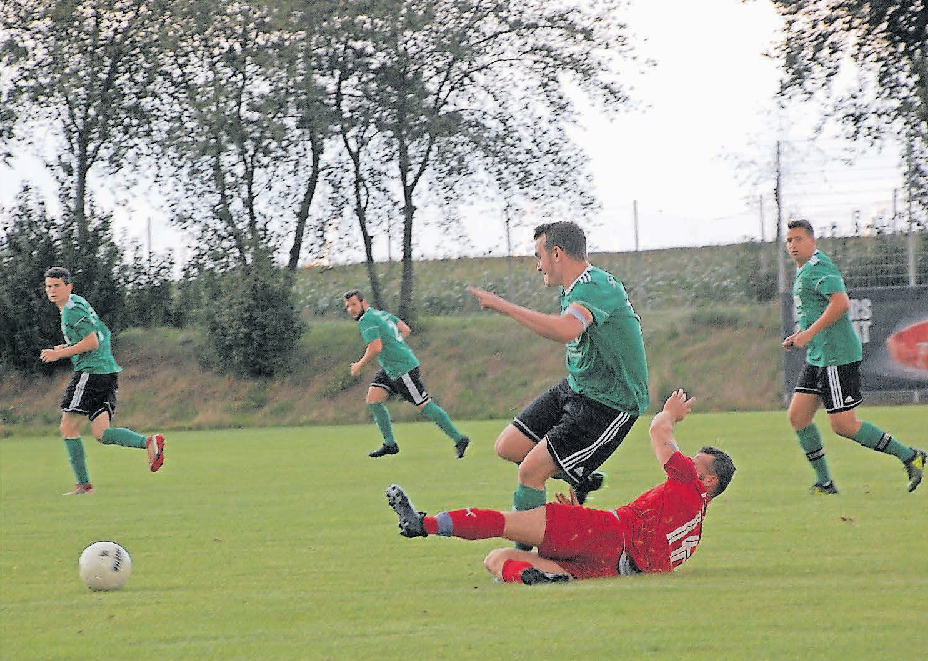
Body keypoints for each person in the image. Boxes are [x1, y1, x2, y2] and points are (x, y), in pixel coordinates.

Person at [385, 389, 735, 584]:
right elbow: (647, 548)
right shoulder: (693, 536)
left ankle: (424, 524)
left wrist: (671, 412)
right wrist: (579, 515)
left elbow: (658, 431)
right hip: (610, 568)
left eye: (696, 461)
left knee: (507, 525)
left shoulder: (688, 482)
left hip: (605, 532)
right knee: (498, 560)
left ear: (709, 480)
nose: (687, 461)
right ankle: (537, 580)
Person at [467, 221, 649, 517]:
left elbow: (567, 330)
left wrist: (505, 306)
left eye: (539, 256)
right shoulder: (573, 288)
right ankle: (578, 475)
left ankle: (525, 554)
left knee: (530, 472)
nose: (538, 266)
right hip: (577, 387)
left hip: (609, 403)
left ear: (557, 253)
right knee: (508, 447)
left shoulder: (595, 285)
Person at [781, 219, 925, 494]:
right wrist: (800, 334)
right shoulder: (804, 271)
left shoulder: (820, 267)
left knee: (843, 424)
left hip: (837, 355)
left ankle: (910, 456)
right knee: (798, 416)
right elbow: (816, 309)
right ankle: (825, 483)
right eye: (789, 240)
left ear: (812, 241)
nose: (793, 245)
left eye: (799, 239)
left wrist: (808, 335)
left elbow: (841, 303)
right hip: (818, 355)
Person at [41, 266, 165, 495]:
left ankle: (83, 485)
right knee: (101, 433)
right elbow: (96, 335)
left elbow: (91, 343)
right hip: (106, 372)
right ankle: (149, 442)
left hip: (91, 372)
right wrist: (68, 347)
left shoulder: (71, 311)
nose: (52, 290)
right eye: (49, 286)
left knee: (68, 427)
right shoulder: (76, 302)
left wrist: (60, 353)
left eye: (57, 285)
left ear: (69, 286)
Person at [343, 289, 470, 458]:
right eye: (347, 306)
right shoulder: (381, 314)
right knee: (373, 400)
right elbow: (405, 329)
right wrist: (396, 346)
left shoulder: (367, 319)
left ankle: (459, 438)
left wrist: (359, 365)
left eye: (353, 304)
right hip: (391, 368)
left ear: (363, 302)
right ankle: (390, 444)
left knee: (424, 405)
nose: (351, 309)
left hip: (403, 369)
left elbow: (376, 347)